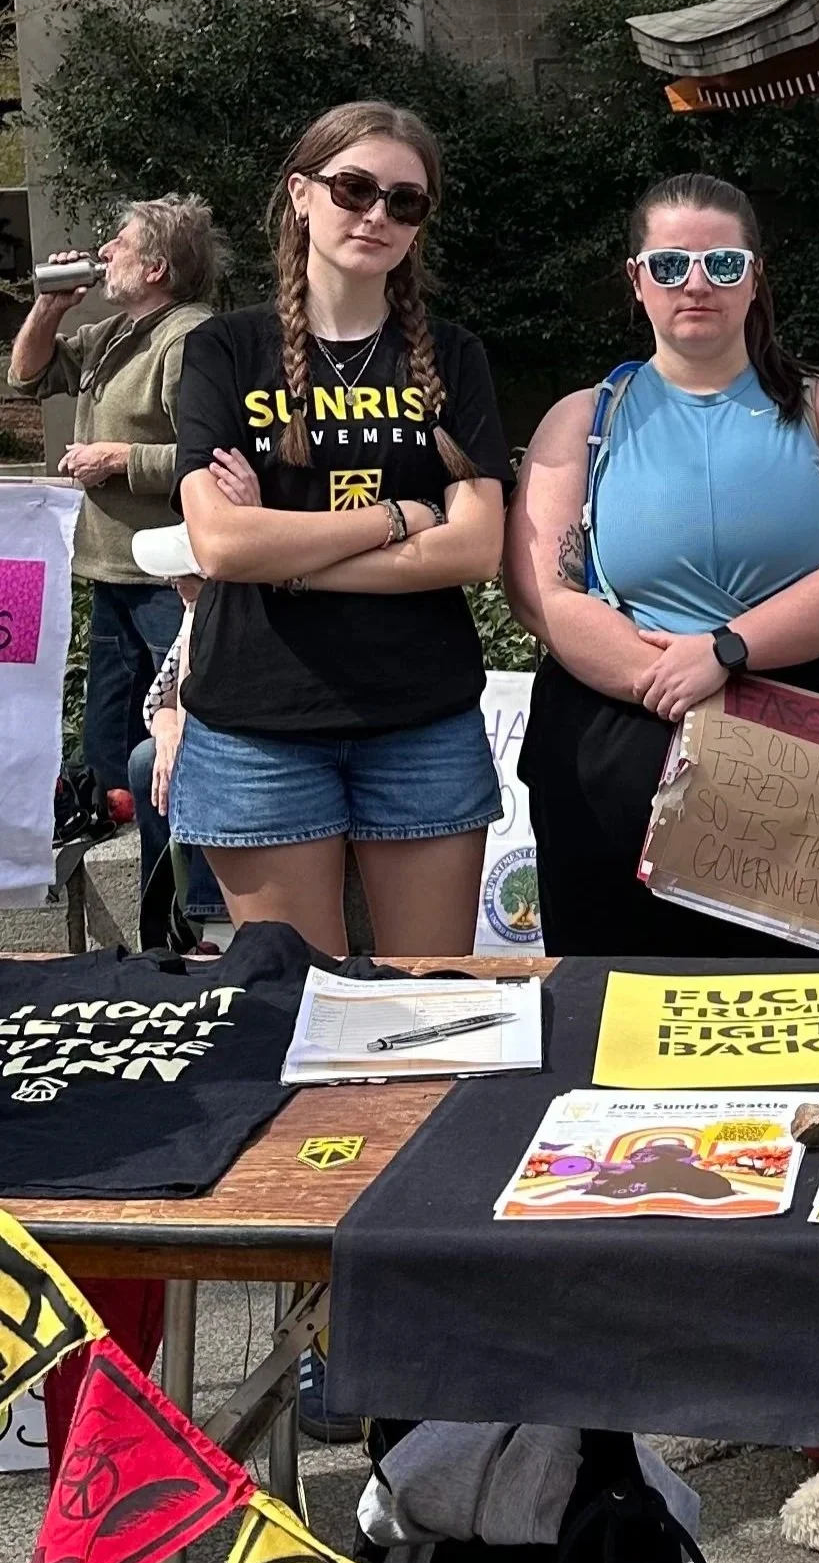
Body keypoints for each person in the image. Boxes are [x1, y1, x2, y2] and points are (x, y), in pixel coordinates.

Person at [506, 173, 819, 953]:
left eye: (722, 264)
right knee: (619, 997)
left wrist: (727, 651)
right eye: (670, 265)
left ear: (754, 277)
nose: (696, 284)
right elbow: (542, 595)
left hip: (815, 738)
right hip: (624, 732)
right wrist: (666, 679)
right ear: (636, 280)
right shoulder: (582, 418)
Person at [168, 102, 511, 957]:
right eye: (354, 188)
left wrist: (284, 553)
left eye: (405, 201)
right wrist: (400, 518)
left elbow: (475, 548)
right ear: (301, 193)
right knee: (294, 1003)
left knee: (428, 996)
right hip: (258, 724)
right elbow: (221, 545)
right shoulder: (223, 349)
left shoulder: (454, 355)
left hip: (421, 721)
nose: (376, 215)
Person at [7, 197, 220, 812]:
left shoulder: (190, 338)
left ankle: (187, 857)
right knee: (112, 750)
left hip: (172, 582)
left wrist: (120, 458)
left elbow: (215, 458)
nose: (102, 252)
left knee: (184, 736)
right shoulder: (114, 334)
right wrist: (49, 306)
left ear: (156, 268)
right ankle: (130, 835)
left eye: (118, 242)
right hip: (113, 574)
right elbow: (26, 376)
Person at [121, 523, 228, 953]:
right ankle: (166, 918)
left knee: (201, 761)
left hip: (241, 749)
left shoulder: (232, 617)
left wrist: (184, 737)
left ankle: (211, 919)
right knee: (147, 762)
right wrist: (168, 732)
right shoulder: (191, 614)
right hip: (199, 739)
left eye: (182, 574)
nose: (171, 582)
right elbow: (161, 698)